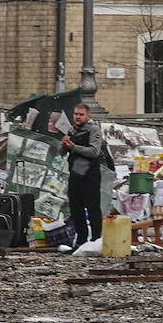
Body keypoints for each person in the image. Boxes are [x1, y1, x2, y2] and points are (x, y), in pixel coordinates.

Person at [61, 103, 104, 247]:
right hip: (75, 174)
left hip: (90, 175)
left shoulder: (94, 130)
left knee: (92, 208)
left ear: (88, 116)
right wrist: (64, 145)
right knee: (76, 208)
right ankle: (81, 240)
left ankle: (96, 240)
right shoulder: (72, 130)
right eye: (76, 114)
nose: (77, 117)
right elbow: (62, 153)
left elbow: (94, 151)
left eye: (81, 114)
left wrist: (73, 147)